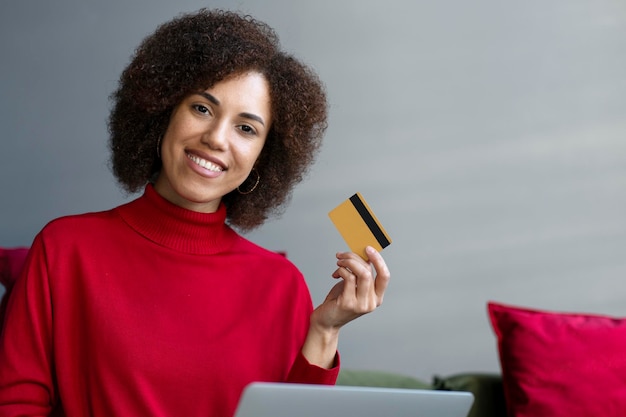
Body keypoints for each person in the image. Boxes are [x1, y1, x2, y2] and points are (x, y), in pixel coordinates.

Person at [0, 9, 390, 417]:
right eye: (202, 108)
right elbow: (16, 404)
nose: (215, 138)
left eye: (246, 128)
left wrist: (325, 330)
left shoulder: (281, 286)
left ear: (263, 157)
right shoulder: (66, 249)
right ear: (163, 111)